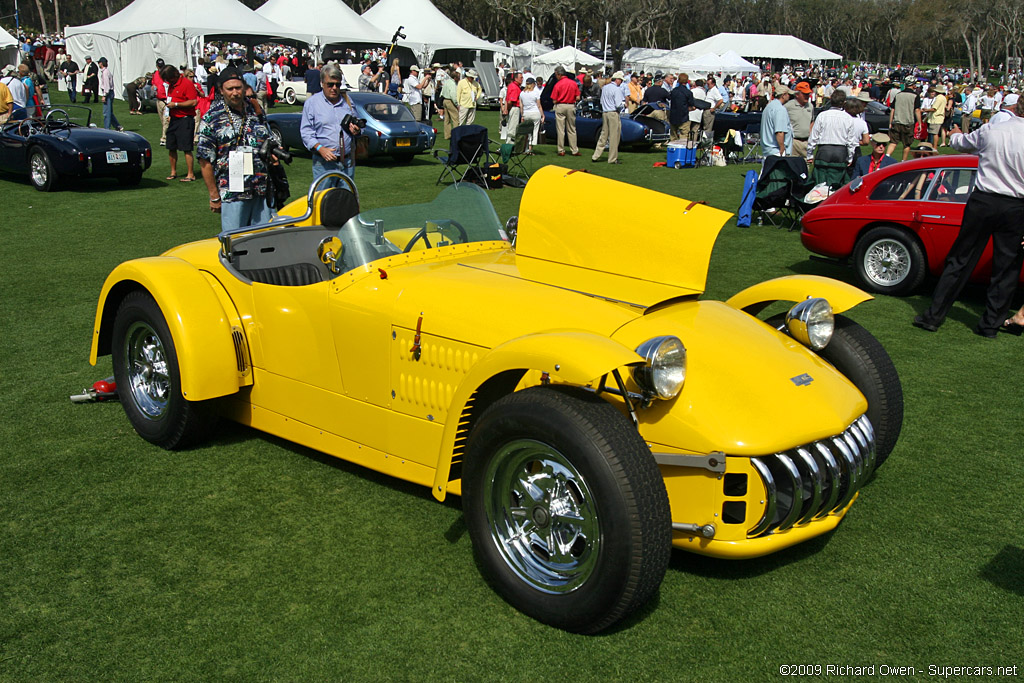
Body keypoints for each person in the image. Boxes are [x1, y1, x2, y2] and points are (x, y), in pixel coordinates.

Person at [913, 98, 1024, 339]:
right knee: (1007, 268)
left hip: (984, 200)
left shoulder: (993, 129)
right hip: (1016, 205)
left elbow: (962, 144)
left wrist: (953, 134)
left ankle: (934, 316)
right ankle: (990, 325)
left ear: (1015, 108)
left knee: (961, 259)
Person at [197, 67, 279, 231]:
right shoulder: (212, 118)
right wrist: (214, 195)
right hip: (233, 191)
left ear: (244, 87)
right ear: (221, 90)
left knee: (266, 240)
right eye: (230, 89)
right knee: (236, 244)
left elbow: (267, 136)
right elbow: (204, 159)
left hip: (261, 188)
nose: (235, 93)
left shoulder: (255, 110)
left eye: (238, 87)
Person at [300, 64, 362, 185]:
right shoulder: (312, 103)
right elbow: (306, 133)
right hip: (323, 164)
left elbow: (359, 124)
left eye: (337, 85)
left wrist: (357, 130)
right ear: (322, 83)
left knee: (346, 200)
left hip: (347, 163)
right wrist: (320, 148)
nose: (334, 88)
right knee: (324, 200)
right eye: (330, 84)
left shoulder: (347, 102)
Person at [161, 65, 199, 181]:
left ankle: (190, 174)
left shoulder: (187, 84)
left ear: (175, 75)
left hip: (185, 119)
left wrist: (176, 105)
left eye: (169, 79)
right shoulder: (172, 86)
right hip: (174, 118)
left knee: (186, 147)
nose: (168, 81)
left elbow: (193, 102)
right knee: (171, 146)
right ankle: (173, 172)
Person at [807, 90, 856, 166]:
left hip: (823, 151)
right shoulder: (848, 118)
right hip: (840, 152)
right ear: (844, 103)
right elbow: (851, 142)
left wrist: (810, 154)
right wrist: (850, 157)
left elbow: (813, 137)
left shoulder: (822, 116)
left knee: (821, 176)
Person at [592, 71, 625, 164]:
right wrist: (623, 106)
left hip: (605, 112)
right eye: (621, 80)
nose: (621, 82)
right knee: (614, 136)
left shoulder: (605, 88)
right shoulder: (616, 89)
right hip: (613, 113)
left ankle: (596, 155)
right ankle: (612, 158)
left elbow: (602, 101)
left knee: (603, 135)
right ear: (617, 80)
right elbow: (618, 104)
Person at [887, 80, 921, 161]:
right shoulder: (915, 95)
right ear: (913, 85)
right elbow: (917, 110)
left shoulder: (898, 95)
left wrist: (890, 122)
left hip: (897, 121)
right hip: (908, 122)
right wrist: (920, 123)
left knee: (893, 142)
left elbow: (893, 109)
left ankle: (886, 157)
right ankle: (903, 161)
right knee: (907, 144)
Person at [550, 66, 580, 156]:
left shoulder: (558, 84)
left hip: (560, 105)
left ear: (559, 74)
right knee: (572, 129)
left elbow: (554, 100)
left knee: (560, 129)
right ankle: (574, 150)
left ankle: (561, 150)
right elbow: (578, 97)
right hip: (571, 105)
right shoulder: (573, 83)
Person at [760, 83, 793, 157]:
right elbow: (780, 131)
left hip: (767, 149)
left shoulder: (769, 107)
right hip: (777, 151)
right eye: (788, 94)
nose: (789, 96)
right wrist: (782, 148)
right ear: (783, 95)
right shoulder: (780, 109)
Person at [786, 81, 815, 158]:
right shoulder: (788, 106)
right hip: (793, 142)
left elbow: (812, 122)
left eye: (808, 94)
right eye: (804, 94)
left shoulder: (810, 106)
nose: (807, 96)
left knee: (806, 167)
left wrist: (811, 137)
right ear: (797, 94)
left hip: (806, 142)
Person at [668, 73, 699, 142]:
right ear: (687, 81)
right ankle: (682, 151)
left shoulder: (673, 91)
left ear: (678, 80)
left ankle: (674, 151)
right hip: (683, 116)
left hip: (673, 116)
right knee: (684, 136)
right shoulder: (688, 92)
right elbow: (691, 105)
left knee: (673, 137)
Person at [519, 77, 543, 152]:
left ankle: (525, 148)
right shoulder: (536, 93)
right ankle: (530, 148)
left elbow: (521, 106)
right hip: (535, 113)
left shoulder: (522, 93)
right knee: (534, 131)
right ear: (533, 84)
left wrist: (522, 115)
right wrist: (542, 115)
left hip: (526, 113)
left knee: (527, 131)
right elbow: (539, 105)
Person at [152, 58, 169, 146]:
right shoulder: (155, 74)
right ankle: (168, 135)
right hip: (159, 100)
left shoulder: (167, 74)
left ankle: (164, 138)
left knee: (166, 120)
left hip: (166, 100)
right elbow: (153, 83)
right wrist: (154, 88)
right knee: (162, 120)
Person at [439, 67, 459, 139]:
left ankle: (447, 135)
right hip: (450, 101)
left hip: (445, 100)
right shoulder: (452, 84)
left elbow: (442, 92)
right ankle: (456, 135)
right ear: (455, 78)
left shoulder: (447, 82)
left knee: (447, 119)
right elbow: (453, 94)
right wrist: (457, 104)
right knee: (456, 118)